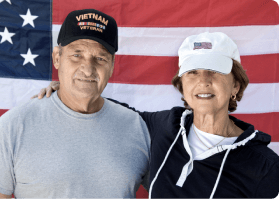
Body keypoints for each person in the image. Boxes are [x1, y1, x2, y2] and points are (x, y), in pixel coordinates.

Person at [38, 32, 279, 198]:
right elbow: (108, 109)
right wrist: (69, 90)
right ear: (181, 85)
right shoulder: (162, 127)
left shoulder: (264, 165)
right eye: (193, 72)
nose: (203, 82)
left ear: (235, 85)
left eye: (215, 72)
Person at [0, 9, 150, 198]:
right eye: (76, 55)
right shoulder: (15, 124)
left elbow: (172, 186)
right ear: (57, 58)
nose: (88, 69)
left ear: (111, 65)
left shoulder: (136, 125)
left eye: (100, 58)